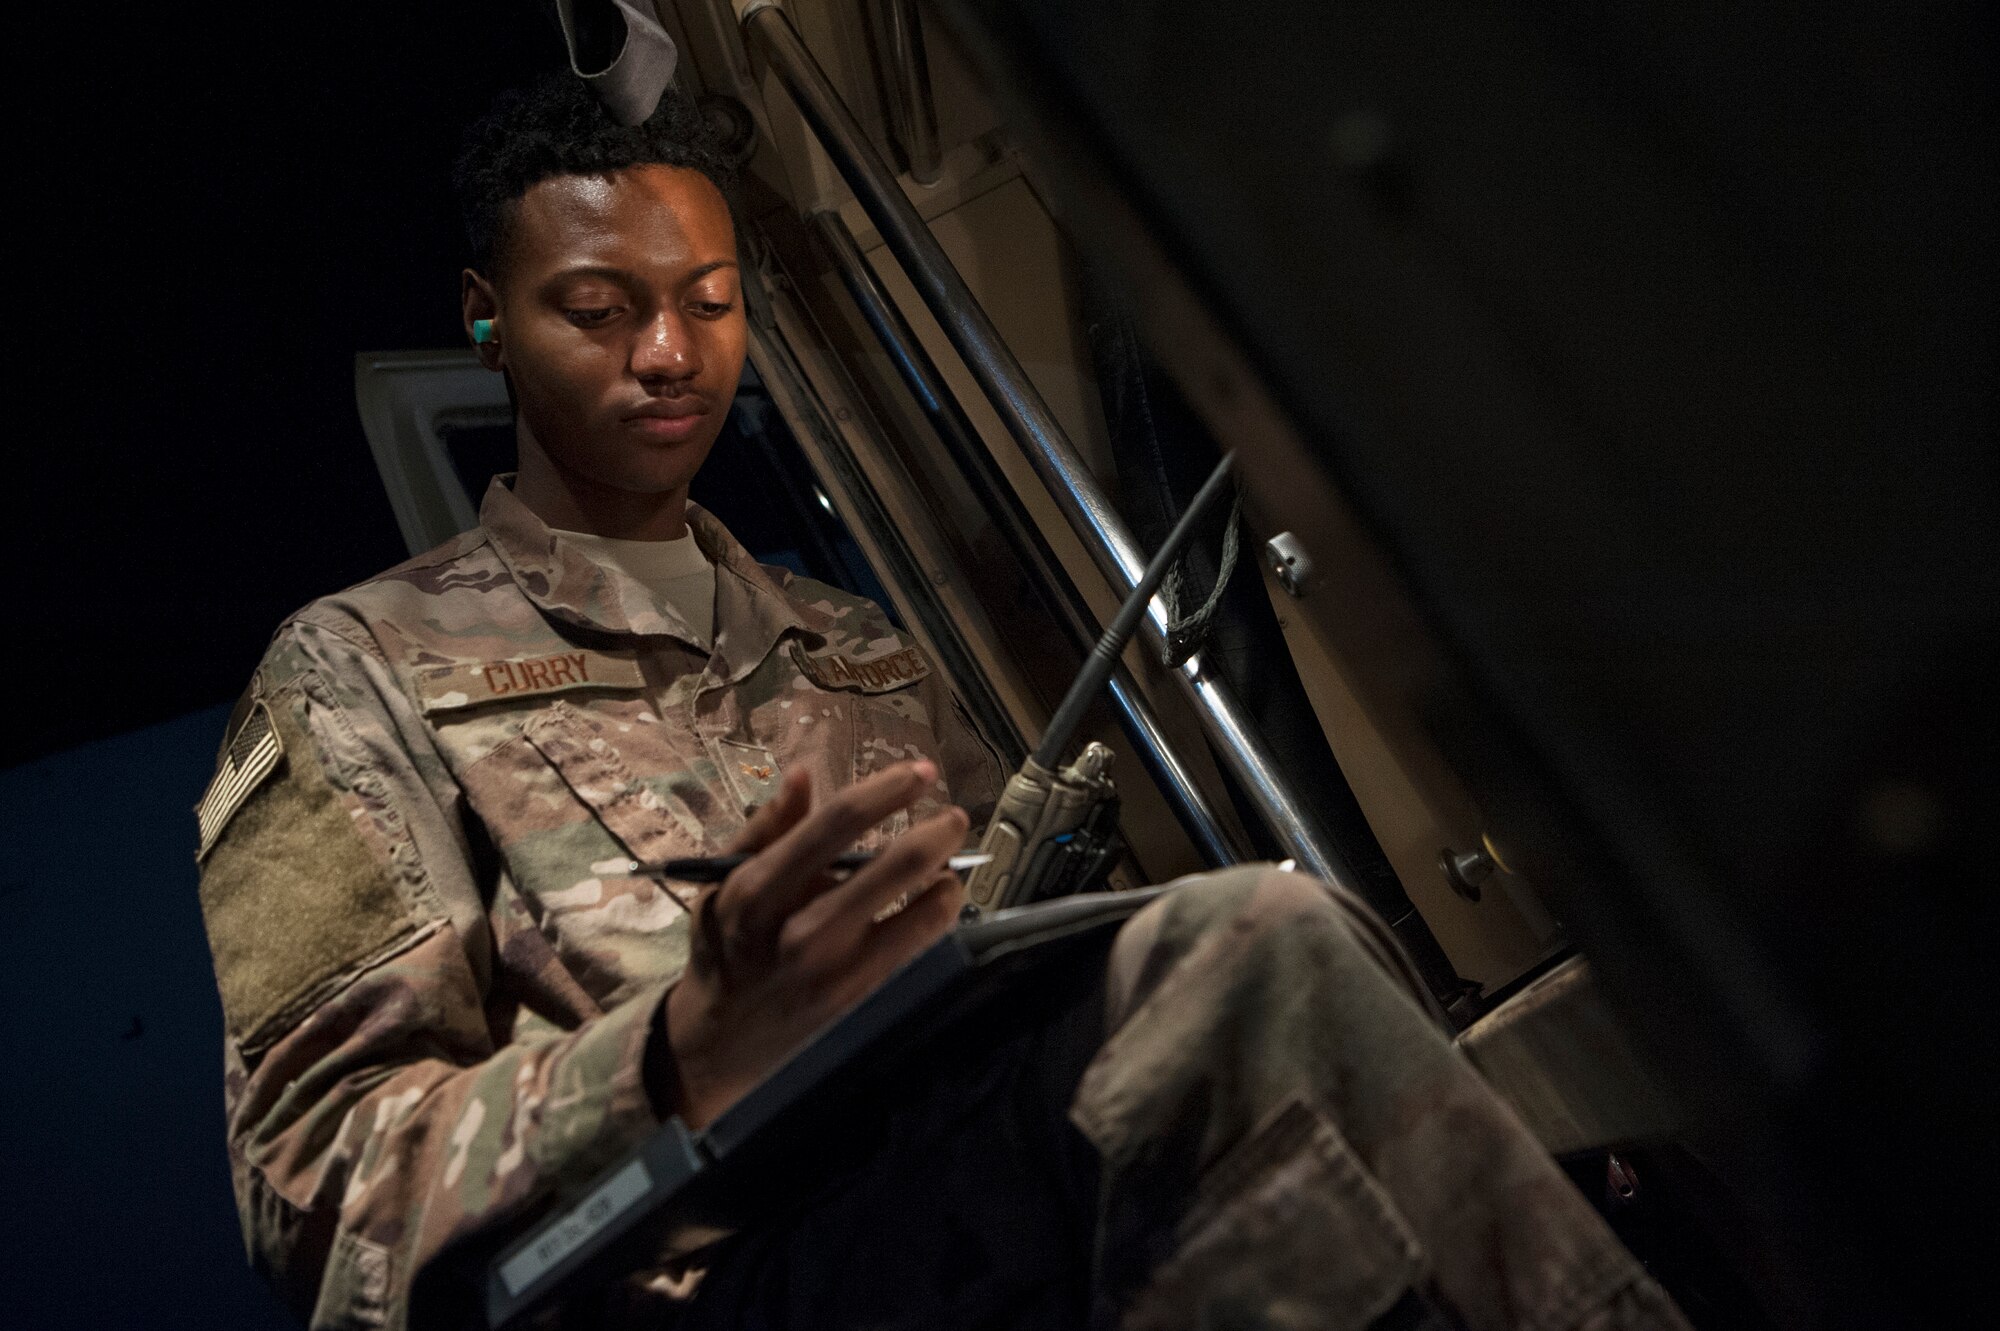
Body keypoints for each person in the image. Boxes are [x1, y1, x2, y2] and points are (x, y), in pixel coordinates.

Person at [193, 73, 1688, 1331]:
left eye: (708, 303)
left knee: (1336, 1050)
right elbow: (325, 1196)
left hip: (953, 1192)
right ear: (485, 320)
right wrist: (679, 1052)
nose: (669, 353)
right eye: (597, 307)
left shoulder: (854, 645)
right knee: (1257, 949)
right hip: (694, 1265)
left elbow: (999, 946)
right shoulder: (358, 668)